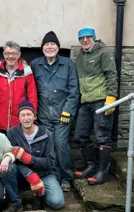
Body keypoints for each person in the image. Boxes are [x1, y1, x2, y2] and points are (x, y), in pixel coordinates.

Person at [30, 31, 79, 191]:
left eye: (52, 44)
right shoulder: (35, 64)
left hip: (62, 115)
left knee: (61, 143)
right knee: (48, 147)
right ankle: (54, 176)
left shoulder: (67, 64)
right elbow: (30, 88)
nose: (49, 47)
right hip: (43, 115)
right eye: (46, 44)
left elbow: (74, 90)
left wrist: (68, 111)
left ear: (58, 48)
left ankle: (65, 177)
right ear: (42, 48)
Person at [2, 101, 65, 212]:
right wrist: (30, 175)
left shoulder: (46, 133)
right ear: (19, 118)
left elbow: (50, 162)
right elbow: (14, 158)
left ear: (34, 116)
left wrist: (30, 159)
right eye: (23, 115)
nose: (26, 118)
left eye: (29, 114)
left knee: (57, 202)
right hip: (22, 174)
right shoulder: (12, 133)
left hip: (44, 173)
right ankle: (15, 202)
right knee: (8, 167)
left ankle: (40, 196)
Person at [73, 27, 118, 185]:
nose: (85, 40)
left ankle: (102, 172)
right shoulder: (80, 57)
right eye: (82, 38)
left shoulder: (104, 52)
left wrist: (111, 98)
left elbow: (112, 75)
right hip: (85, 101)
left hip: (101, 100)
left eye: (88, 37)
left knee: (102, 136)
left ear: (94, 38)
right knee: (80, 135)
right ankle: (91, 166)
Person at [0, 41, 38, 133]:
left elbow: (32, 98)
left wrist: (31, 118)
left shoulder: (27, 72)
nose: (10, 56)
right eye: (7, 53)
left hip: (19, 123)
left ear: (18, 55)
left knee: (18, 148)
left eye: (13, 53)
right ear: (3, 54)